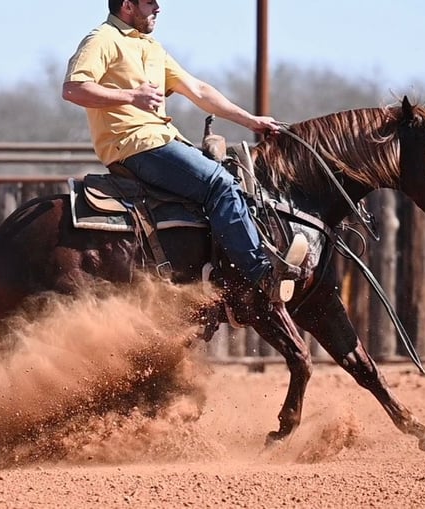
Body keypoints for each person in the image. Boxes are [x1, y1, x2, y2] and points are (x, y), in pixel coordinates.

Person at [62, 0, 303, 302]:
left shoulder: (150, 47)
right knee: (219, 183)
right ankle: (260, 276)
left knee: (234, 180)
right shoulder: (102, 39)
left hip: (161, 141)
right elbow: (73, 89)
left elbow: (199, 91)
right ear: (127, 5)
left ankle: (220, 273)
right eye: (150, 2)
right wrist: (131, 96)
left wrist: (251, 121)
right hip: (135, 144)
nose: (158, 8)